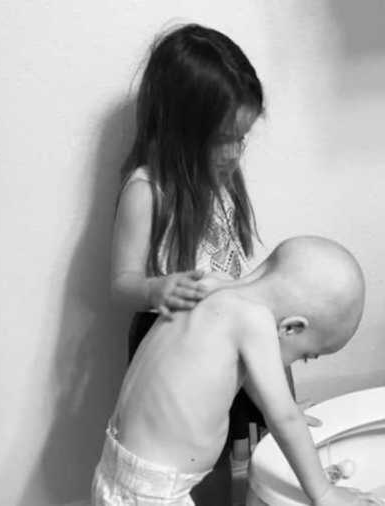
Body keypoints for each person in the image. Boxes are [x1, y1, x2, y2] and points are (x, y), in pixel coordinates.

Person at [110, 23, 275, 502]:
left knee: (233, 450)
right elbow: (121, 282)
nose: (234, 153)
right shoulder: (147, 191)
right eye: (223, 138)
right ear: (181, 127)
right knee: (183, 460)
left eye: (241, 138)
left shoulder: (221, 176)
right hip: (176, 350)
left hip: (224, 338)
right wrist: (155, 289)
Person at [92, 236, 385, 506]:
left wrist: (287, 407)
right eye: (306, 356)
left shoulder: (209, 286)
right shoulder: (253, 320)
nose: (296, 362)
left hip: (114, 472)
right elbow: (282, 417)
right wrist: (325, 493)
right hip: (154, 495)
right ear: (291, 327)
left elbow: (242, 377)